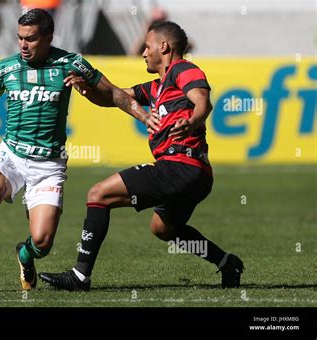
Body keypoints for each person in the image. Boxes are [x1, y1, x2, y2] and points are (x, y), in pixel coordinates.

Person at [0, 8, 152, 293]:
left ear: (48, 37)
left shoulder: (71, 64)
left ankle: (25, 254)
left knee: (42, 242)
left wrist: (145, 118)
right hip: (11, 155)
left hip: (48, 164)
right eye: (20, 38)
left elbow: (113, 93)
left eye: (30, 39)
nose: (23, 45)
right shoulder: (4, 68)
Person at [39, 21, 244, 291]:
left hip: (179, 164)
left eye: (147, 47)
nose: (143, 53)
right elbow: (116, 97)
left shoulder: (184, 69)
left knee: (97, 194)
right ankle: (227, 262)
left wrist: (192, 122)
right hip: (194, 173)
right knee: (162, 228)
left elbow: (203, 102)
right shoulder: (157, 86)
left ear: (164, 46)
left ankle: (79, 276)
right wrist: (88, 89)